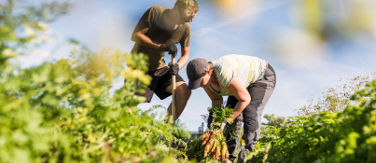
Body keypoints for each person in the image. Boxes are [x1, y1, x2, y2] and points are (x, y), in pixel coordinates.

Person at [186, 54, 276, 162]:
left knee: (250, 111)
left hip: (262, 76)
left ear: (208, 72)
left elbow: (245, 99)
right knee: (229, 116)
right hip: (239, 82)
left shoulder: (224, 73)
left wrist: (226, 121)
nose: (200, 85)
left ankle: (248, 157)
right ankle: (228, 158)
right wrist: (215, 124)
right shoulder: (206, 82)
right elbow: (216, 101)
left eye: (200, 82)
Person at [130, 0, 198, 120]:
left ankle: (165, 132)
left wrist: (177, 66)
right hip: (139, 65)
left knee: (183, 91)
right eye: (182, 17)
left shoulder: (185, 28)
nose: (183, 22)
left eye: (187, 20)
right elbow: (136, 35)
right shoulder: (156, 12)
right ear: (175, 7)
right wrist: (161, 47)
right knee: (130, 105)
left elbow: (186, 54)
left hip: (160, 67)